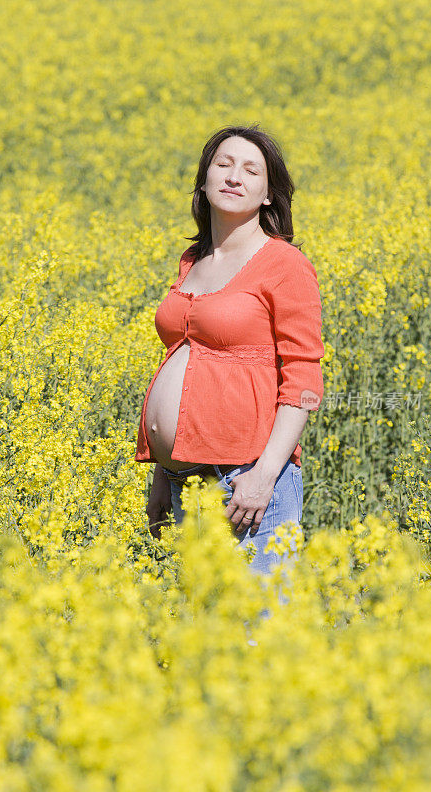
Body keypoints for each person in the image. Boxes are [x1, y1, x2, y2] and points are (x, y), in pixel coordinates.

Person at [135, 123, 325, 577]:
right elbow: (188, 364)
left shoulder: (284, 264)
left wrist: (263, 478)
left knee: (256, 636)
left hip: (246, 485)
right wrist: (162, 473)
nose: (234, 176)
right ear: (204, 180)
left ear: (267, 194)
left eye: (250, 170)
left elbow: (304, 381)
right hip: (185, 486)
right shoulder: (194, 260)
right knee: (206, 638)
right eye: (223, 164)